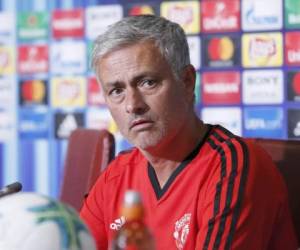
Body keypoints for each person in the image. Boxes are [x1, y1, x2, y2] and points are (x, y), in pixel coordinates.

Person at [80, 15, 297, 250]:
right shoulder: (116, 176)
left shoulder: (232, 166)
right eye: (116, 90)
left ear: (186, 81)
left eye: (148, 82)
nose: (132, 104)